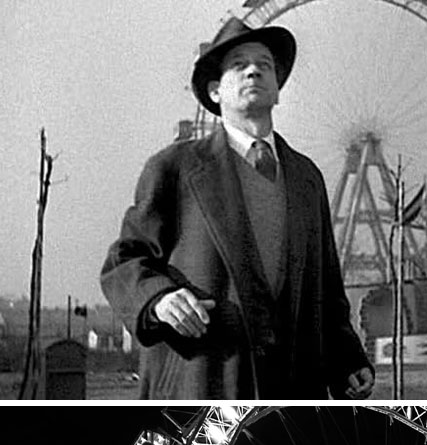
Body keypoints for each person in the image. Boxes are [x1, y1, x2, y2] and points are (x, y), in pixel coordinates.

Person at [101, 16, 375, 400]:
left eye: (264, 66)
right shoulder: (173, 169)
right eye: (238, 65)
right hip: (204, 379)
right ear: (214, 92)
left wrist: (347, 359)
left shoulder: (307, 178)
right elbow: (126, 261)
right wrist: (159, 300)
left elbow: (326, 286)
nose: (253, 72)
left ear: (278, 89)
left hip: (293, 389)